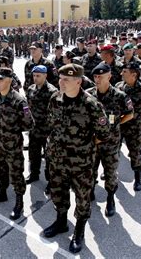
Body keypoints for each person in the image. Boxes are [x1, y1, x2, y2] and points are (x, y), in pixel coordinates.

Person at [43, 63, 109, 254]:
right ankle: (61, 222)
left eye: (67, 80)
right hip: (57, 159)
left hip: (81, 163)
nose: (61, 83)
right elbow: (50, 124)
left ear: (78, 81)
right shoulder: (55, 99)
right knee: (58, 192)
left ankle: (79, 230)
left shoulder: (91, 104)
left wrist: (83, 147)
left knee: (82, 198)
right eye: (60, 79)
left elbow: (104, 133)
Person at [0, 68, 34, 221]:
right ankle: (2, 193)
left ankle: (19, 203)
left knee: (16, 174)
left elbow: (28, 124)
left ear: (9, 80)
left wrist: (12, 131)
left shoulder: (19, 101)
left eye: (0, 79)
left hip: (13, 146)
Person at [87, 63, 134, 216]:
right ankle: (91, 192)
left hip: (110, 144)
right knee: (90, 171)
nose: (97, 79)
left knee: (110, 173)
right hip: (92, 143)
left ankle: (110, 199)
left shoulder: (120, 96)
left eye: (101, 76)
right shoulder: (88, 95)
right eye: (95, 76)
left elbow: (130, 113)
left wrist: (116, 124)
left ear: (110, 76)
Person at [116, 62, 141, 191]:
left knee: (135, 152)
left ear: (134, 75)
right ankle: (111, 172)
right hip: (119, 126)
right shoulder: (118, 87)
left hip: (134, 127)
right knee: (114, 150)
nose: (121, 73)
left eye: (125, 72)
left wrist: (137, 119)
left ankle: (138, 177)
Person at [25, 65, 57, 187]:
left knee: (49, 158)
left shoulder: (52, 92)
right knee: (33, 154)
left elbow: (56, 113)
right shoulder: (31, 89)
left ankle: (50, 181)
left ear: (45, 76)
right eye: (34, 76)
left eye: (38, 76)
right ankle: (34, 174)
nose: (35, 78)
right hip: (34, 129)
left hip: (47, 130)